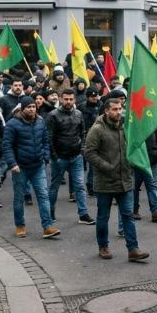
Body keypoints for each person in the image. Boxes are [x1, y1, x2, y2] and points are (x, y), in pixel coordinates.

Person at [83, 97, 149, 261]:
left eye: (120, 109)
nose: (118, 112)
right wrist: (107, 166)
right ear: (106, 111)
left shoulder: (126, 126)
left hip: (125, 180)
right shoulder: (97, 129)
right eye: (114, 109)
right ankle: (103, 246)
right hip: (105, 181)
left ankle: (133, 249)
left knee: (128, 215)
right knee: (103, 217)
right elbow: (89, 152)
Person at [3, 96, 58, 239]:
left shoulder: (40, 122)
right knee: (19, 198)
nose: (32, 109)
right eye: (29, 107)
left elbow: (46, 141)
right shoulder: (12, 124)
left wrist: (45, 157)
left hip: (38, 166)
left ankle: (47, 226)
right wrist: (12, 164)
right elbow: (7, 146)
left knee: (43, 196)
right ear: (23, 108)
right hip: (20, 167)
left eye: (34, 107)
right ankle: (20, 225)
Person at [46, 88, 93, 225]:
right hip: (60, 157)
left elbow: (82, 133)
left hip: (76, 156)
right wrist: (55, 157)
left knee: (79, 185)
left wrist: (82, 149)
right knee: (54, 186)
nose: (68, 101)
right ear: (61, 99)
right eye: (66, 99)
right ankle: (50, 212)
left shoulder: (78, 113)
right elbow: (49, 138)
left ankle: (83, 214)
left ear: (74, 99)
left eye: (71, 99)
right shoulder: (53, 115)